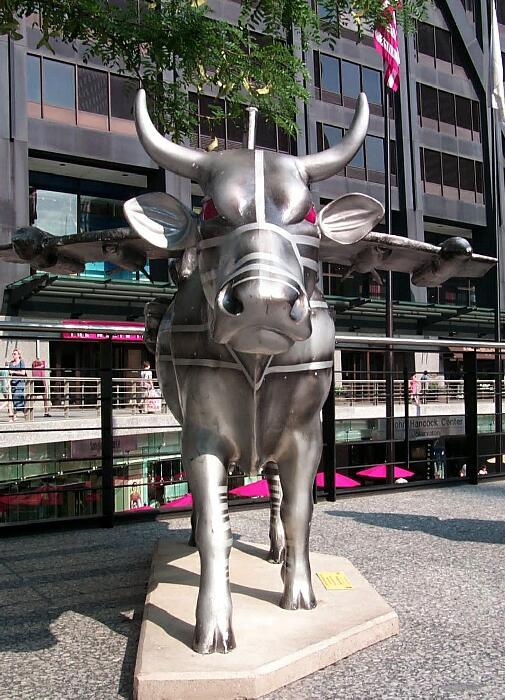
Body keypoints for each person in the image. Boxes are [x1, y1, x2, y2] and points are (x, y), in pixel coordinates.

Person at [9, 349, 27, 418]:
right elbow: (9, 373)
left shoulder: (21, 362)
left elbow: (23, 372)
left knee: (19, 396)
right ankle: (15, 415)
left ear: (19, 355)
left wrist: (14, 372)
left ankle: (24, 413)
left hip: (20, 382)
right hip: (13, 383)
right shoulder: (11, 363)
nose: (13, 355)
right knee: (13, 398)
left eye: (15, 354)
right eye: (13, 354)